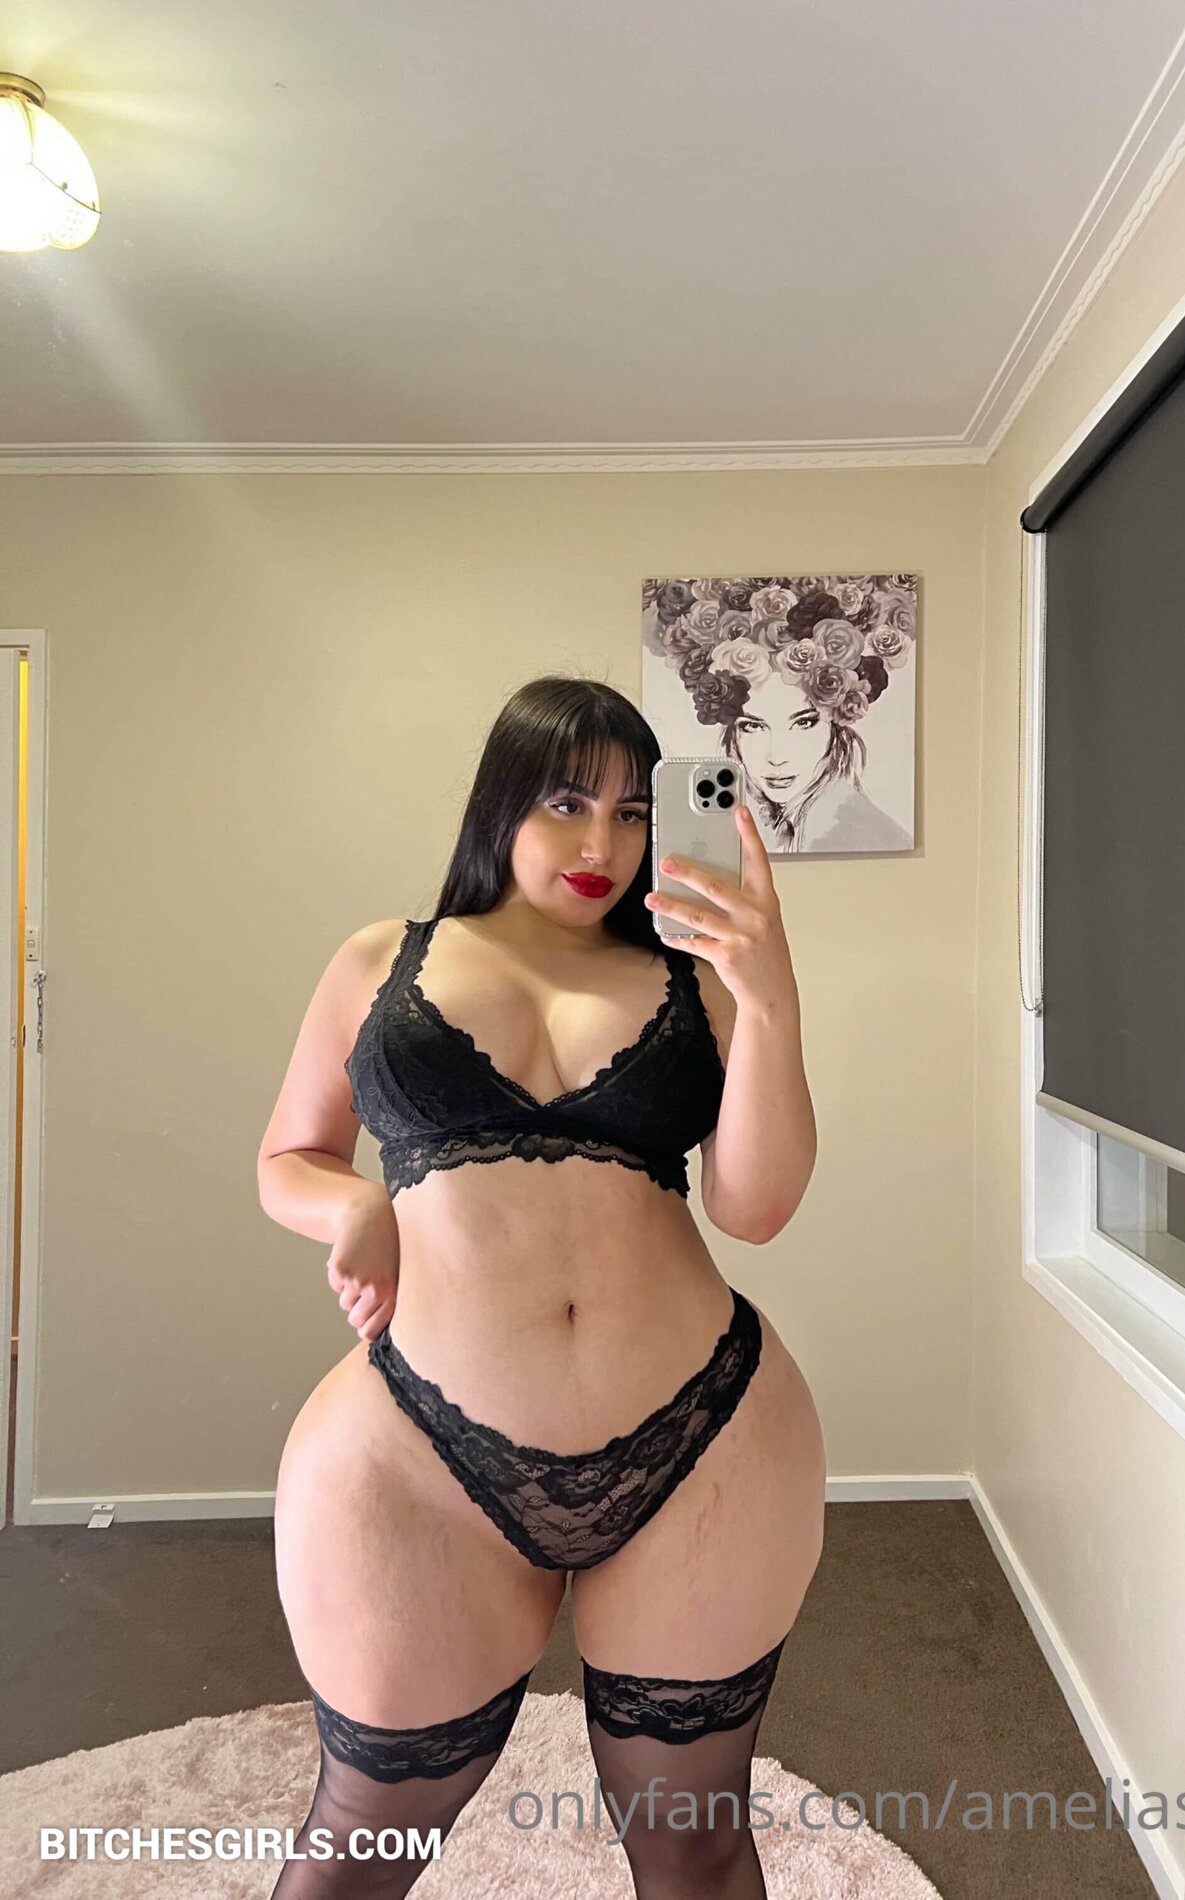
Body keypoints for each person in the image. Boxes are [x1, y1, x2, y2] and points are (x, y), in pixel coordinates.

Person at [256, 675, 826, 1897]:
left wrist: (771, 994)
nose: (601, 845)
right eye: (568, 802)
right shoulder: (380, 959)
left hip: (705, 1439)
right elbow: (287, 1157)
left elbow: (756, 1207)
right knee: (362, 1831)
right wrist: (354, 1206)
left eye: (633, 812)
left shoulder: (697, 979)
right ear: (501, 802)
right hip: (419, 1451)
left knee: (694, 1839)